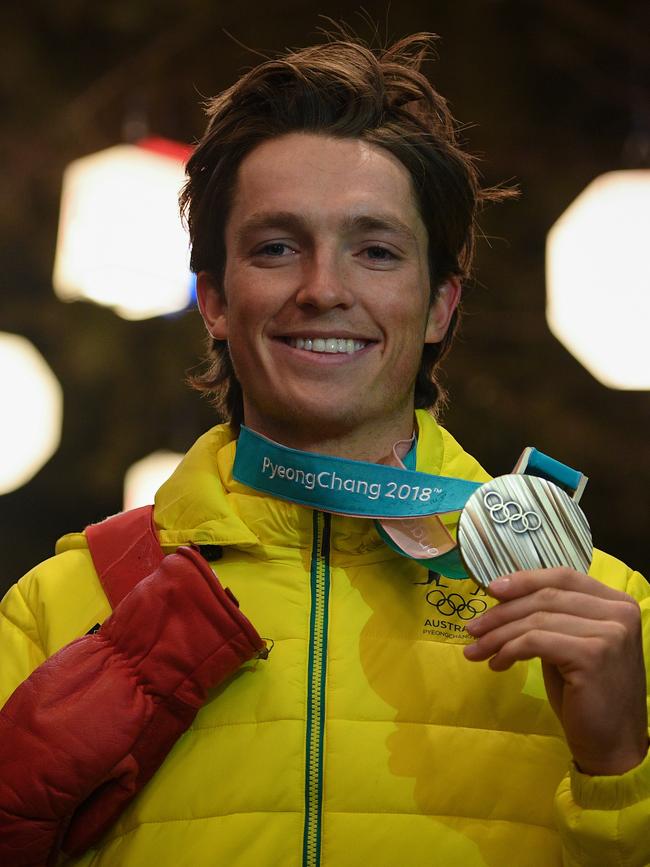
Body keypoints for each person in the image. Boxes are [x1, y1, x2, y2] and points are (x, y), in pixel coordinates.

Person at [1, 32, 649, 867]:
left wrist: (619, 771)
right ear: (214, 301)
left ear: (441, 305)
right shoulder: (59, 605)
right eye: (276, 247)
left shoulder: (600, 614)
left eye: (375, 251)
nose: (324, 289)